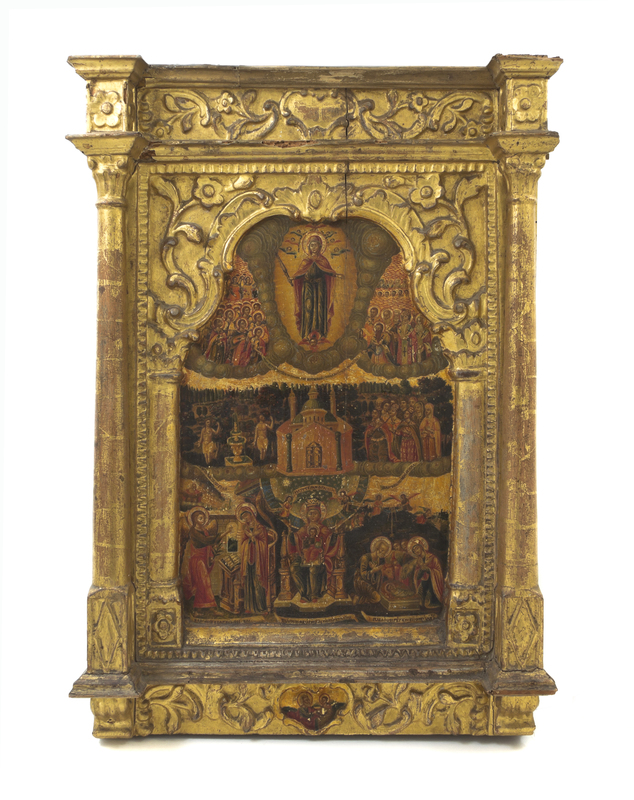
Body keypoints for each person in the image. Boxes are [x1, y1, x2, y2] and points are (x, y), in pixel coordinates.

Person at [288, 501, 339, 602]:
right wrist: (290, 533)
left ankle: (314, 595)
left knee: (313, 569)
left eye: (315, 513)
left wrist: (335, 533)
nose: (312, 516)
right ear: (306, 515)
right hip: (304, 556)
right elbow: (295, 540)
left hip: (320, 557)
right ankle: (304, 593)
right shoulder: (303, 529)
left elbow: (331, 541)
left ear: (320, 515)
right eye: (310, 513)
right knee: (294, 568)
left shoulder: (324, 529)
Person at [291, 235, 338, 342]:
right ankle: (306, 333)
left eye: (315, 245)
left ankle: (321, 332)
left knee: (320, 308)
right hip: (308, 287)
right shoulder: (306, 260)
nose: (313, 247)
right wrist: (293, 277)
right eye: (311, 245)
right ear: (308, 247)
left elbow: (328, 271)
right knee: (308, 308)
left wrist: (334, 274)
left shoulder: (323, 260)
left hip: (320, 287)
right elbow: (300, 273)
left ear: (320, 246)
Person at [237, 503, 277, 614]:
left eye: (246, 515)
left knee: (258, 583)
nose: (245, 518)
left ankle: (261, 607)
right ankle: (249, 607)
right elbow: (242, 543)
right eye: (243, 517)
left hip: (259, 559)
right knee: (249, 582)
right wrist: (248, 541)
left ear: (251, 514)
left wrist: (254, 540)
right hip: (248, 560)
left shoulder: (261, 528)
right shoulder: (245, 529)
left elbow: (264, 544)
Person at [181, 508, 219, 615]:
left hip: (204, 559)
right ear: (195, 519)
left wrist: (210, 556)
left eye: (203, 518)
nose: (203, 521)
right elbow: (205, 541)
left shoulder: (204, 531)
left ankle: (206, 607)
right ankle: (200, 607)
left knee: (203, 583)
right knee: (204, 582)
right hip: (197, 560)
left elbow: (208, 546)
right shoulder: (193, 532)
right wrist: (218, 537)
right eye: (200, 518)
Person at [403, 537, 444, 609]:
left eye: (417, 548)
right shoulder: (418, 561)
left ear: (421, 547)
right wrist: (420, 571)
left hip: (433, 583)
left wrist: (428, 569)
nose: (416, 551)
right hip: (424, 581)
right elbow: (417, 575)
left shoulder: (433, 558)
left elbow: (438, 571)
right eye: (414, 551)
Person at [353, 537, 391, 604]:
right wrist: (373, 570)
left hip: (371, 583)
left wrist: (378, 570)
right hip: (361, 582)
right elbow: (363, 575)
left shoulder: (378, 560)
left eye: (385, 552)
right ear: (378, 549)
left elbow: (378, 575)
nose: (383, 554)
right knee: (377, 598)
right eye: (382, 551)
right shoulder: (365, 558)